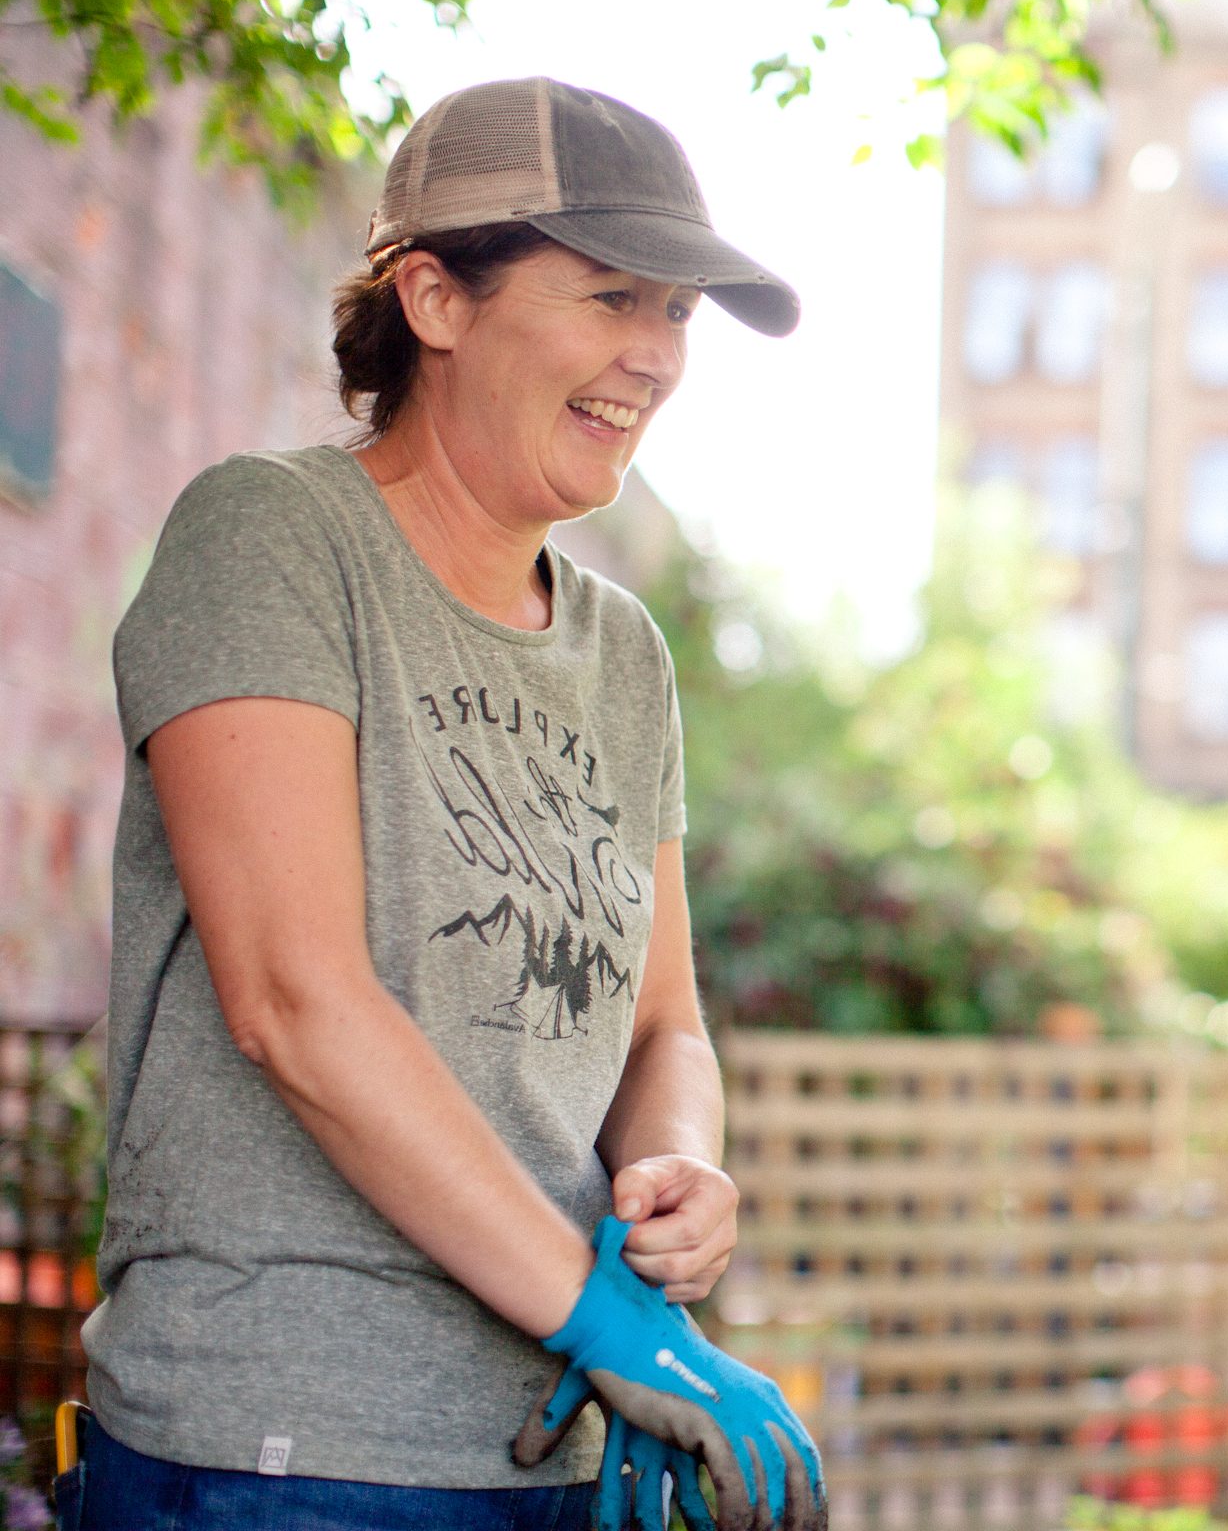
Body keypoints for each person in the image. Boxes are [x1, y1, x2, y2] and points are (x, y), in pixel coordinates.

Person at [70, 77, 825, 1531]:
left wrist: (676, 1168)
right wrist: (608, 1331)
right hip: (283, 1455)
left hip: (550, 1454)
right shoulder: (273, 540)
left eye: (675, 315)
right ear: (433, 298)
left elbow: (663, 1020)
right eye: (612, 297)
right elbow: (294, 998)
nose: (656, 356)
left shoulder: (623, 656)